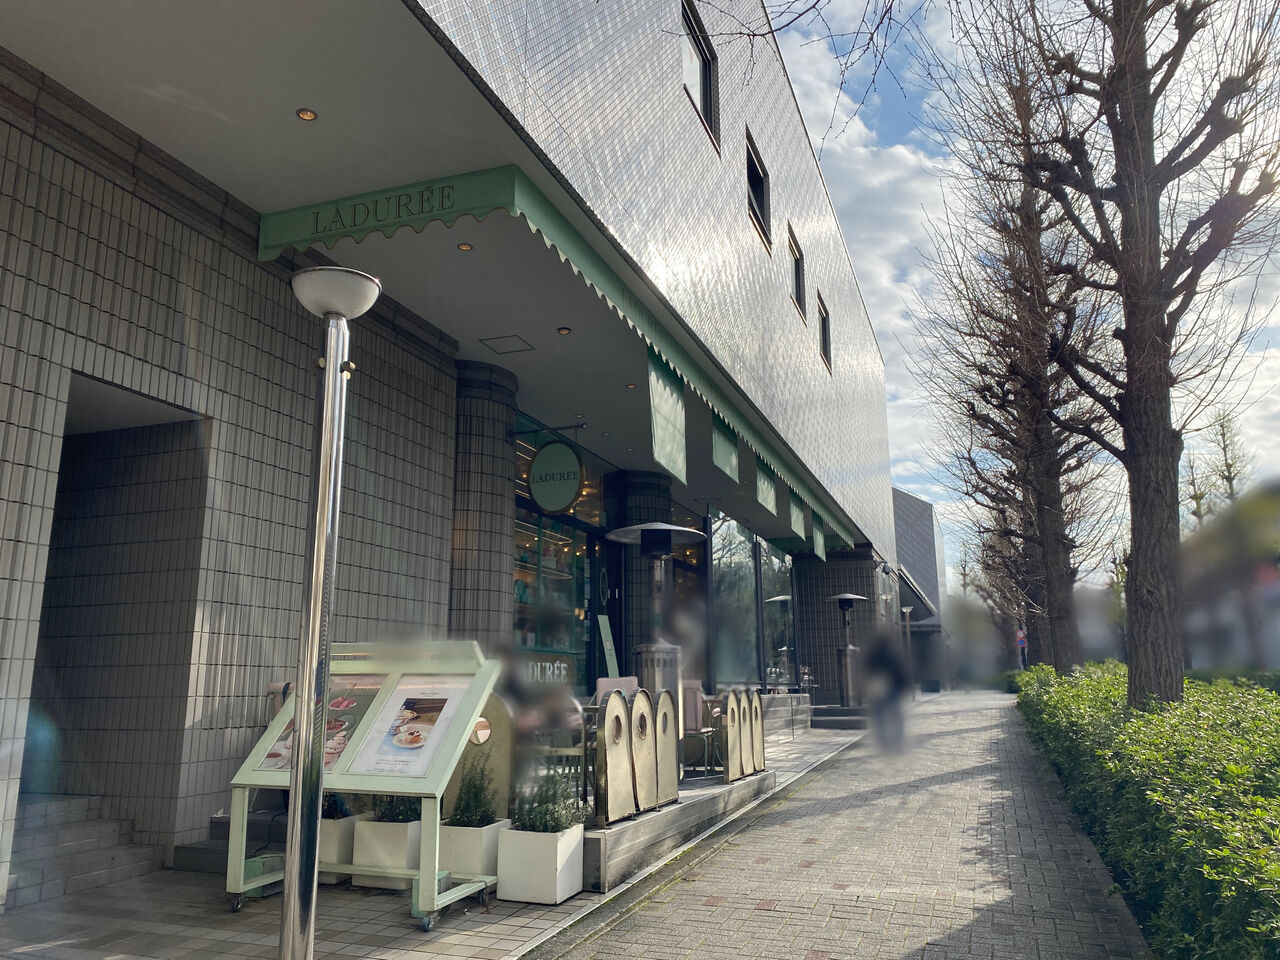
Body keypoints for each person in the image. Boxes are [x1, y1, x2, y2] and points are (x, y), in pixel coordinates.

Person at [863, 628, 908, 751]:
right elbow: (900, 672)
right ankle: (898, 741)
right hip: (893, 689)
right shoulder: (893, 654)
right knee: (896, 716)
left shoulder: (874, 654)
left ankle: (883, 742)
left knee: (880, 717)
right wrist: (903, 686)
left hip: (879, 689)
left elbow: (868, 671)